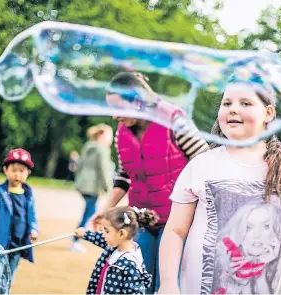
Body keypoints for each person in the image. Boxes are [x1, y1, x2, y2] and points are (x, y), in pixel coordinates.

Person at [158, 71, 281, 294]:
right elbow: (176, 231)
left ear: (268, 113)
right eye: (227, 103)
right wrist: (167, 284)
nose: (233, 108)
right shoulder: (202, 165)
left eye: (245, 103)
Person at [90, 71, 209, 293]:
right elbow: (124, 177)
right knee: (139, 282)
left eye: (118, 108)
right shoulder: (122, 132)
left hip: (176, 220)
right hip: (141, 218)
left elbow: (204, 162)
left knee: (167, 284)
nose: (115, 116)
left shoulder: (174, 120)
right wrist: (105, 210)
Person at [0, 148, 38, 294]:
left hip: (16, 248)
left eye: (22, 170)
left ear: (28, 173)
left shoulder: (28, 195)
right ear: (6, 170)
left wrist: (33, 229)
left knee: (6, 283)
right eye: (14, 170)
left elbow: (31, 217)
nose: (17, 174)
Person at [74, 206, 159, 294]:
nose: (103, 234)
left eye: (106, 231)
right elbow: (100, 238)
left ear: (121, 234)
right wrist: (85, 234)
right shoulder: (114, 247)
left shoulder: (129, 264)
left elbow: (136, 292)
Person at [70, 124, 114, 252]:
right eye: (109, 136)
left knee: (91, 210)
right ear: (102, 136)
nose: (110, 139)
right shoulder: (102, 149)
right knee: (89, 213)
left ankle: (80, 238)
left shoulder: (88, 146)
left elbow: (79, 166)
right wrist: (109, 187)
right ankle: (76, 239)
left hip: (83, 185)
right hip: (93, 186)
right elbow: (104, 170)